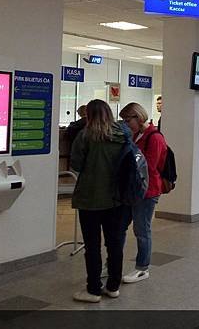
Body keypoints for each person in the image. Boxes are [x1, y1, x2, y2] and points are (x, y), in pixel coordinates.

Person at [70, 99, 128, 303]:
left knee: (92, 245)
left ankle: (93, 289)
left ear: (89, 115)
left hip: (90, 198)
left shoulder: (85, 136)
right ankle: (113, 286)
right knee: (115, 243)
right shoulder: (123, 134)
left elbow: (76, 163)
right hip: (118, 198)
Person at [118, 102, 167, 283]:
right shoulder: (137, 135)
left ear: (138, 118)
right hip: (132, 190)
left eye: (127, 119)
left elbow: (149, 166)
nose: (125, 123)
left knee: (141, 230)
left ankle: (142, 267)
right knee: (120, 227)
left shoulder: (154, 137)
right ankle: (113, 264)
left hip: (147, 191)